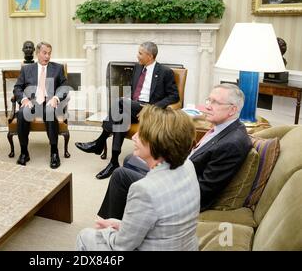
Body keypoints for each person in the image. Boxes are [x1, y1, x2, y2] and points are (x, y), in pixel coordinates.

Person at [97, 83, 252, 220]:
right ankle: (131, 218)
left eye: (216, 102)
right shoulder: (224, 129)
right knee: (131, 159)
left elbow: (203, 192)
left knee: (120, 175)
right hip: (181, 175)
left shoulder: (232, 143)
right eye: (209, 100)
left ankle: (112, 229)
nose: (208, 106)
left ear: (232, 110)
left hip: (180, 192)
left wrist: (166, 176)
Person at [76, 106, 200, 251]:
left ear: (156, 143)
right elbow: (161, 224)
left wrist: (109, 231)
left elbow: (121, 246)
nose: (134, 137)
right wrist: (121, 225)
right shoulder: (188, 165)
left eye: (141, 134)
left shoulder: (145, 190)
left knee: (85, 236)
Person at [75, 42, 179, 179]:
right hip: (133, 107)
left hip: (149, 110)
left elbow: (174, 96)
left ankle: (99, 143)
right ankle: (113, 162)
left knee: (119, 103)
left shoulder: (165, 72)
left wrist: (152, 107)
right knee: (121, 116)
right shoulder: (137, 68)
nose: (137, 56)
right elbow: (134, 90)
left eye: (140, 53)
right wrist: (128, 99)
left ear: (150, 56)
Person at [13, 42, 69, 169]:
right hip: (31, 103)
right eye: (44, 53)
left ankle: (54, 152)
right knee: (21, 113)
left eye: (49, 53)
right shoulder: (27, 69)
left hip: (48, 102)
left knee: (49, 112)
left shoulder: (58, 68)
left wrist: (56, 98)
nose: (47, 56)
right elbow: (17, 88)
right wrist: (24, 100)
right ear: (38, 53)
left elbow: (64, 87)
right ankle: (24, 152)